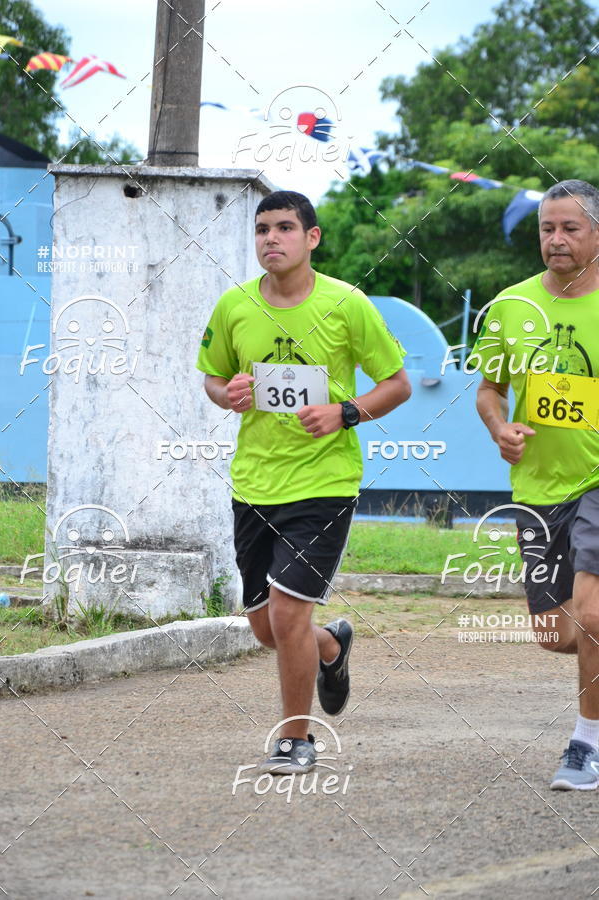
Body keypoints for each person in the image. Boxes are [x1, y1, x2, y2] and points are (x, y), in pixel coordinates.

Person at [197, 190, 411, 774]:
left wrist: (345, 413)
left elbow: (396, 384)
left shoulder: (347, 304)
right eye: (263, 229)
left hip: (325, 484)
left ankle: (296, 738)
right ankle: (332, 646)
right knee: (268, 630)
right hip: (254, 485)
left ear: (311, 238)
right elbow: (213, 380)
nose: (272, 238)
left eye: (285, 228)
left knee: (289, 617)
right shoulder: (234, 306)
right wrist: (229, 394)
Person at [473, 179, 599, 790]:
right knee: (556, 634)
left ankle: (586, 745)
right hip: (537, 488)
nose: (555, 239)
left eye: (569, 228)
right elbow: (489, 391)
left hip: (597, 480)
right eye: (547, 228)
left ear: (595, 234)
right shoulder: (508, 308)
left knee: (595, 612)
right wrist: (500, 429)